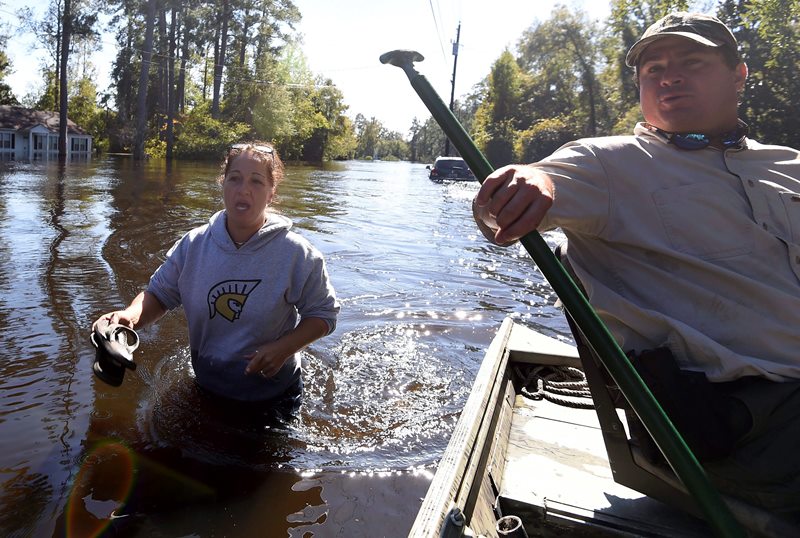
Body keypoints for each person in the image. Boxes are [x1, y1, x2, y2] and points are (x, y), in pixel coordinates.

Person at [473, 12, 800, 515]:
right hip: (743, 426)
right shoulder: (607, 163)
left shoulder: (789, 165)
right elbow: (525, 188)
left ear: (739, 75)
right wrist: (522, 187)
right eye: (654, 69)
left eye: (692, 62)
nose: (669, 76)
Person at [94, 142, 339, 421]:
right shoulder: (194, 245)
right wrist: (130, 317)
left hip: (273, 398)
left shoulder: (296, 254)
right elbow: (159, 294)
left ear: (271, 193)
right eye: (235, 179)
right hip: (207, 386)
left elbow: (323, 315)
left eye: (256, 181)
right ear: (223, 184)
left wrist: (285, 348)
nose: (243, 189)